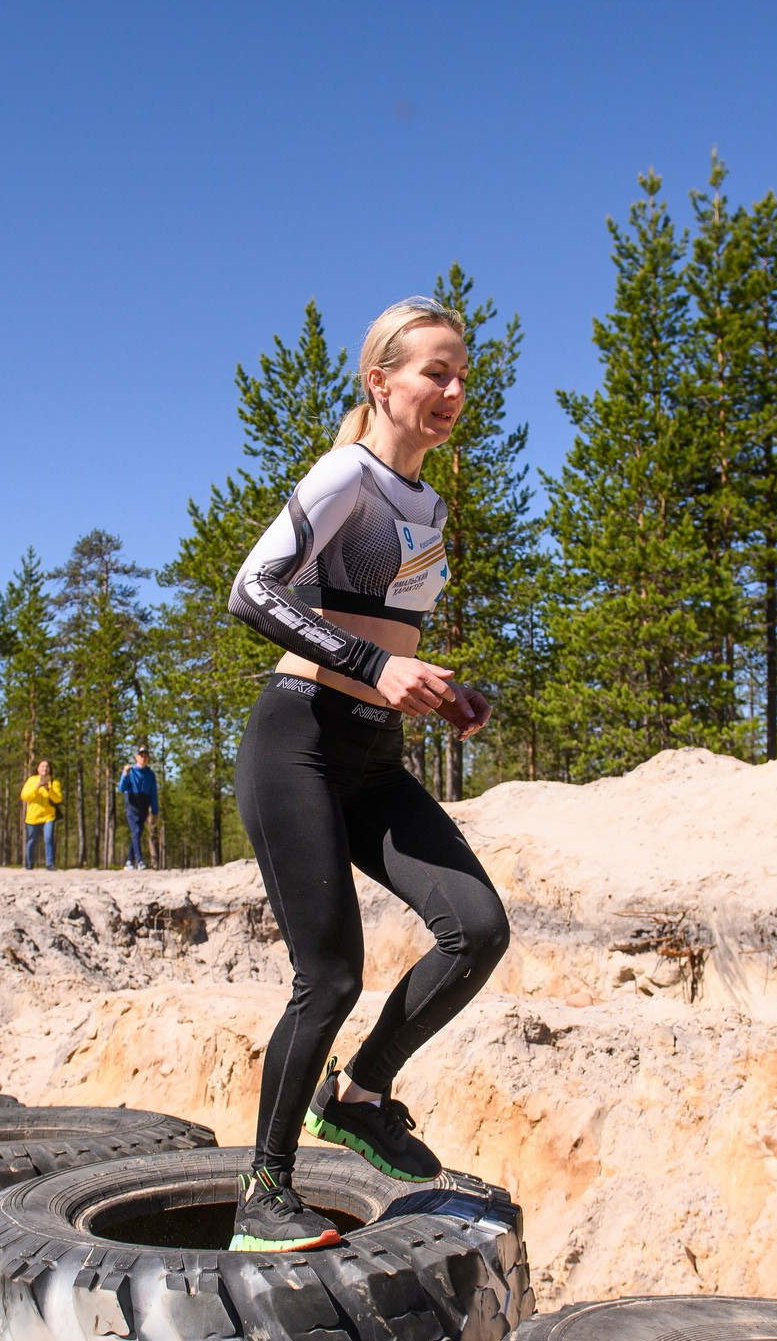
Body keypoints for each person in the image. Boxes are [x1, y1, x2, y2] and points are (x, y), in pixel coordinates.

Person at [221, 295, 510, 1253]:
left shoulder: (428, 505)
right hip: (295, 738)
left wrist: (439, 686)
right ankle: (263, 1192)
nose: (454, 390)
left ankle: (363, 1095)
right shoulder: (348, 472)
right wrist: (375, 668)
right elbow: (251, 591)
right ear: (381, 382)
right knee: (330, 976)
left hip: (372, 753)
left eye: (462, 375)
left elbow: (390, 627)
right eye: (435, 371)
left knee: (475, 928)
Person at [118, 749, 159, 868]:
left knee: (137, 833)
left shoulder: (150, 774)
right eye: (141, 756)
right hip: (131, 804)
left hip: (143, 806)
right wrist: (125, 774)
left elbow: (153, 794)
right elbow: (121, 788)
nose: (143, 758)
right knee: (135, 831)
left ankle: (129, 862)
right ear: (136, 757)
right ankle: (140, 861)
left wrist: (155, 811)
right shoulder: (130, 772)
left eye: (146, 756)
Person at [20, 760, 62, 870]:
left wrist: (49, 790)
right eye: (42, 766)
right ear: (38, 768)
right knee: (32, 840)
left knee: (48, 839)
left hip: (49, 816)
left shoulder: (54, 782)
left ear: (50, 769)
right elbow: (24, 796)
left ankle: (50, 864)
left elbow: (58, 799)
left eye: (47, 766)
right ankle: (29, 864)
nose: (45, 768)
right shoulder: (31, 780)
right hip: (33, 817)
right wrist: (36, 788)